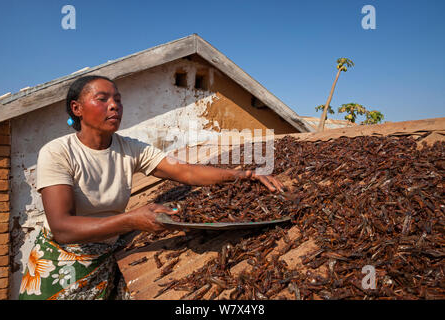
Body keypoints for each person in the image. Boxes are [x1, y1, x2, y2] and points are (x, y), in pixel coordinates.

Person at [18, 75, 285, 300]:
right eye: (103, 99)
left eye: (118, 100)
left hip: (104, 256)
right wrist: (132, 219)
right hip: (60, 265)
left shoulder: (130, 148)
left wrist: (243, 175)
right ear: (77, 108)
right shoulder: (57, 152)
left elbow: (186, 171)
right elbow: (63, 227)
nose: (114, 107)